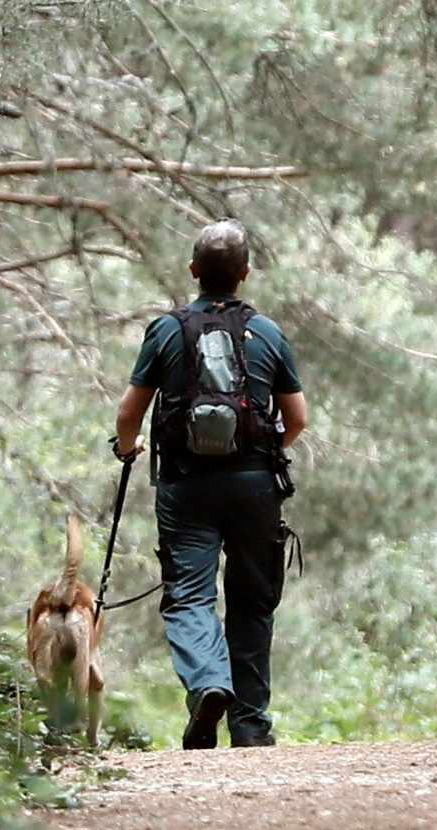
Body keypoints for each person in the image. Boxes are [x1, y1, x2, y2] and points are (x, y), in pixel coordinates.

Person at [113, 219, 308, 749]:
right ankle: (250, 724)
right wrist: (271, 449)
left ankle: (207, 685)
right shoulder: (266, 332)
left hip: (186, 487)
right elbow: (297, 417)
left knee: (190, 597)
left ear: (194, 271)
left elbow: (130, 411)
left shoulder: (167, 330)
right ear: (244, 274)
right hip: (254, 486)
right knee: (252, 601)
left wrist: (127, 447)